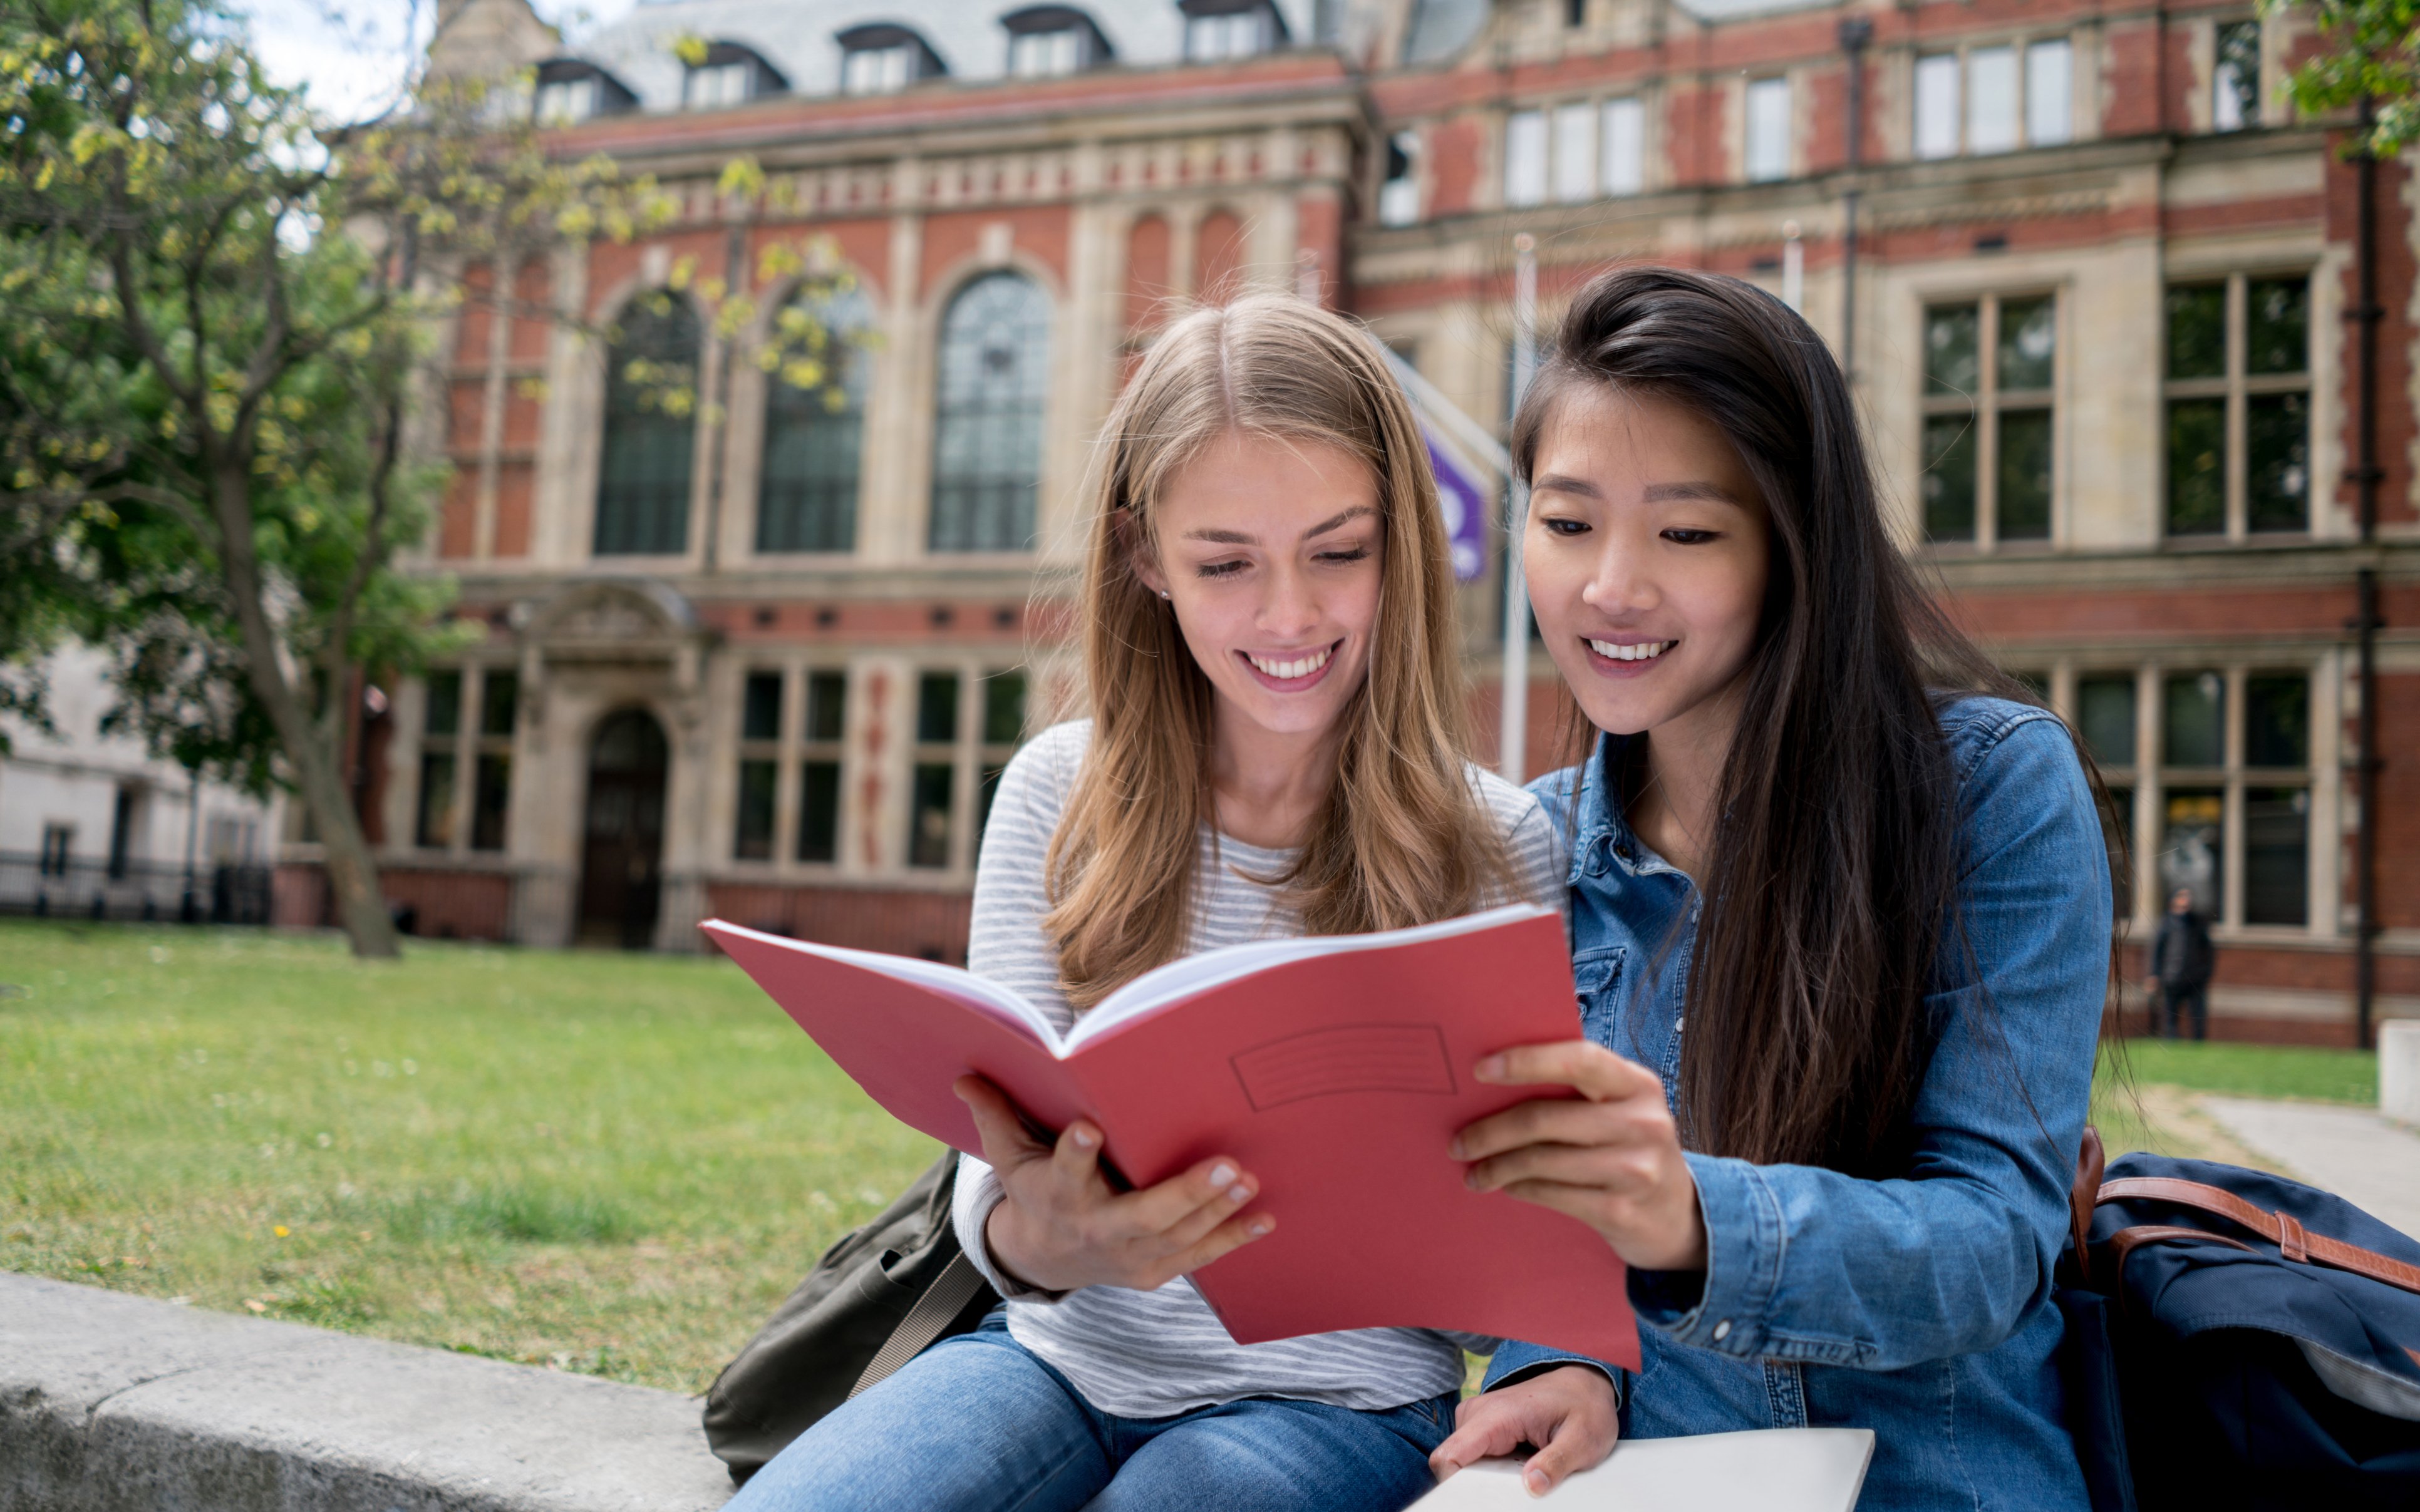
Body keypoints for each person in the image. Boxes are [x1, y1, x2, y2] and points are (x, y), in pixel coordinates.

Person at [725, 294, 1564, 1512]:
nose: (1289, 614)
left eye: (1340, 551)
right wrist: (1045, 1238)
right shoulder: (1058, 793)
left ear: (1407, 543)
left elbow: (1535, 1214)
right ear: (1143, 559)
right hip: (1057, 1359)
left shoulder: (1495, 843)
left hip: (1342, 1400)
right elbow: (989, 1175)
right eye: (1225, 563)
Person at [1425, 267, 2114, 1511]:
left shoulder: (1998, 789)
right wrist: (1562, 1357)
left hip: (1932, 1481)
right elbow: (1556, 1255)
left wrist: (1694, 1217)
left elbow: (1993, 1241)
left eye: (1686, 532)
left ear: (1795, 546)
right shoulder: (1532, 842)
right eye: (1568, 522)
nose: (1611, 587)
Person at [2147, 887, 2215, 1041]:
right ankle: (2172, 1042)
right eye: (2181, 897)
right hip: (2172, 977)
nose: (2186, 901)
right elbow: (2157, 951)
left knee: (2198, 1015)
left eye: (2187, 897)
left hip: (2195, 979)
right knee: (2170, 1015)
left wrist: (2206, 973)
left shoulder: (2197, 923)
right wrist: (2154, 975)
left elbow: (2208, 951)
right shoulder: (2166, 924)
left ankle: (2198, 1043)